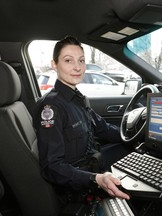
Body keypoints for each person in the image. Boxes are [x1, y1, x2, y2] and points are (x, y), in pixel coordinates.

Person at [33, 36, 130, 203]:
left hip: (93, 164)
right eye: (68, 60)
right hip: (79, 183)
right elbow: (52, 167)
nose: (77, 67)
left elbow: (103, 129)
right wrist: (96, 179)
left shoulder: (77, 99)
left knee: (133, 152)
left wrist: (132, 133)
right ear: (54, 64)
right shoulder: (51, 107)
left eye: (81, 60)